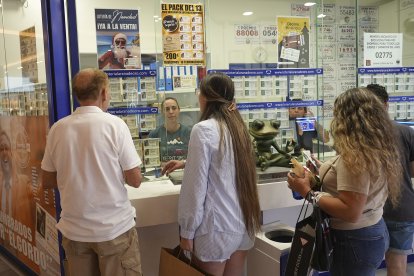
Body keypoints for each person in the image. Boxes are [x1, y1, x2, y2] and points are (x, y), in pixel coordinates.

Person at [287, 87, 402, 276]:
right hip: (371, 230)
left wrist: (307, 191)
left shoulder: (355, 155)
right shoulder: (375, 145)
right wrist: (321, 173)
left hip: (353, 239)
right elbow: (358, 187)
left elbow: (351, 211)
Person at [41, 68, 143, 275]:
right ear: (104, 93)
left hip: (75, 232)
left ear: (77, 94)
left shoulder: (57, 129)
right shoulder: (115, 125)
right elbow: (135, 179)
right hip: (114, 230)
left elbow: (48, 180)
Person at [162, 72, 261, 276]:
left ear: (204, 97)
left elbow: (194, 189)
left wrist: (187, 232)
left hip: (217, 229)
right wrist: (186, 162)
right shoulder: (238, 127)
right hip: (244, 225)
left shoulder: (203, 129)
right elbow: (226, 163)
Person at [366, 83, 414, 276]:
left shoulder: (361, 136)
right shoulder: (406, 132)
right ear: (386, 104)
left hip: (371, 209)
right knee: (397, 264)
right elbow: (412, 171)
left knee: (366, 264)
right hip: (402, 207)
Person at [149, 97, 191, 163]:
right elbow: (150, 160)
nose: (171, 112)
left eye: (174, 108)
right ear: (162, 112)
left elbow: (195, 157)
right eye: (167, 109)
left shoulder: (189, 133)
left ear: (179, 110)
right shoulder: (154, 134)